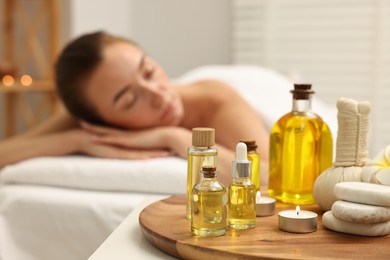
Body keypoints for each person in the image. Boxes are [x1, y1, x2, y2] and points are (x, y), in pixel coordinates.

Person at [0, 31, 269, 186]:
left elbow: (272, 178)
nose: (158, 95)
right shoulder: (87, 118)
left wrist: (174, 137)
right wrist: (79, 140)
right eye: (129, 101)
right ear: (103, 121)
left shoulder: (214, 100)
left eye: (149, 72)